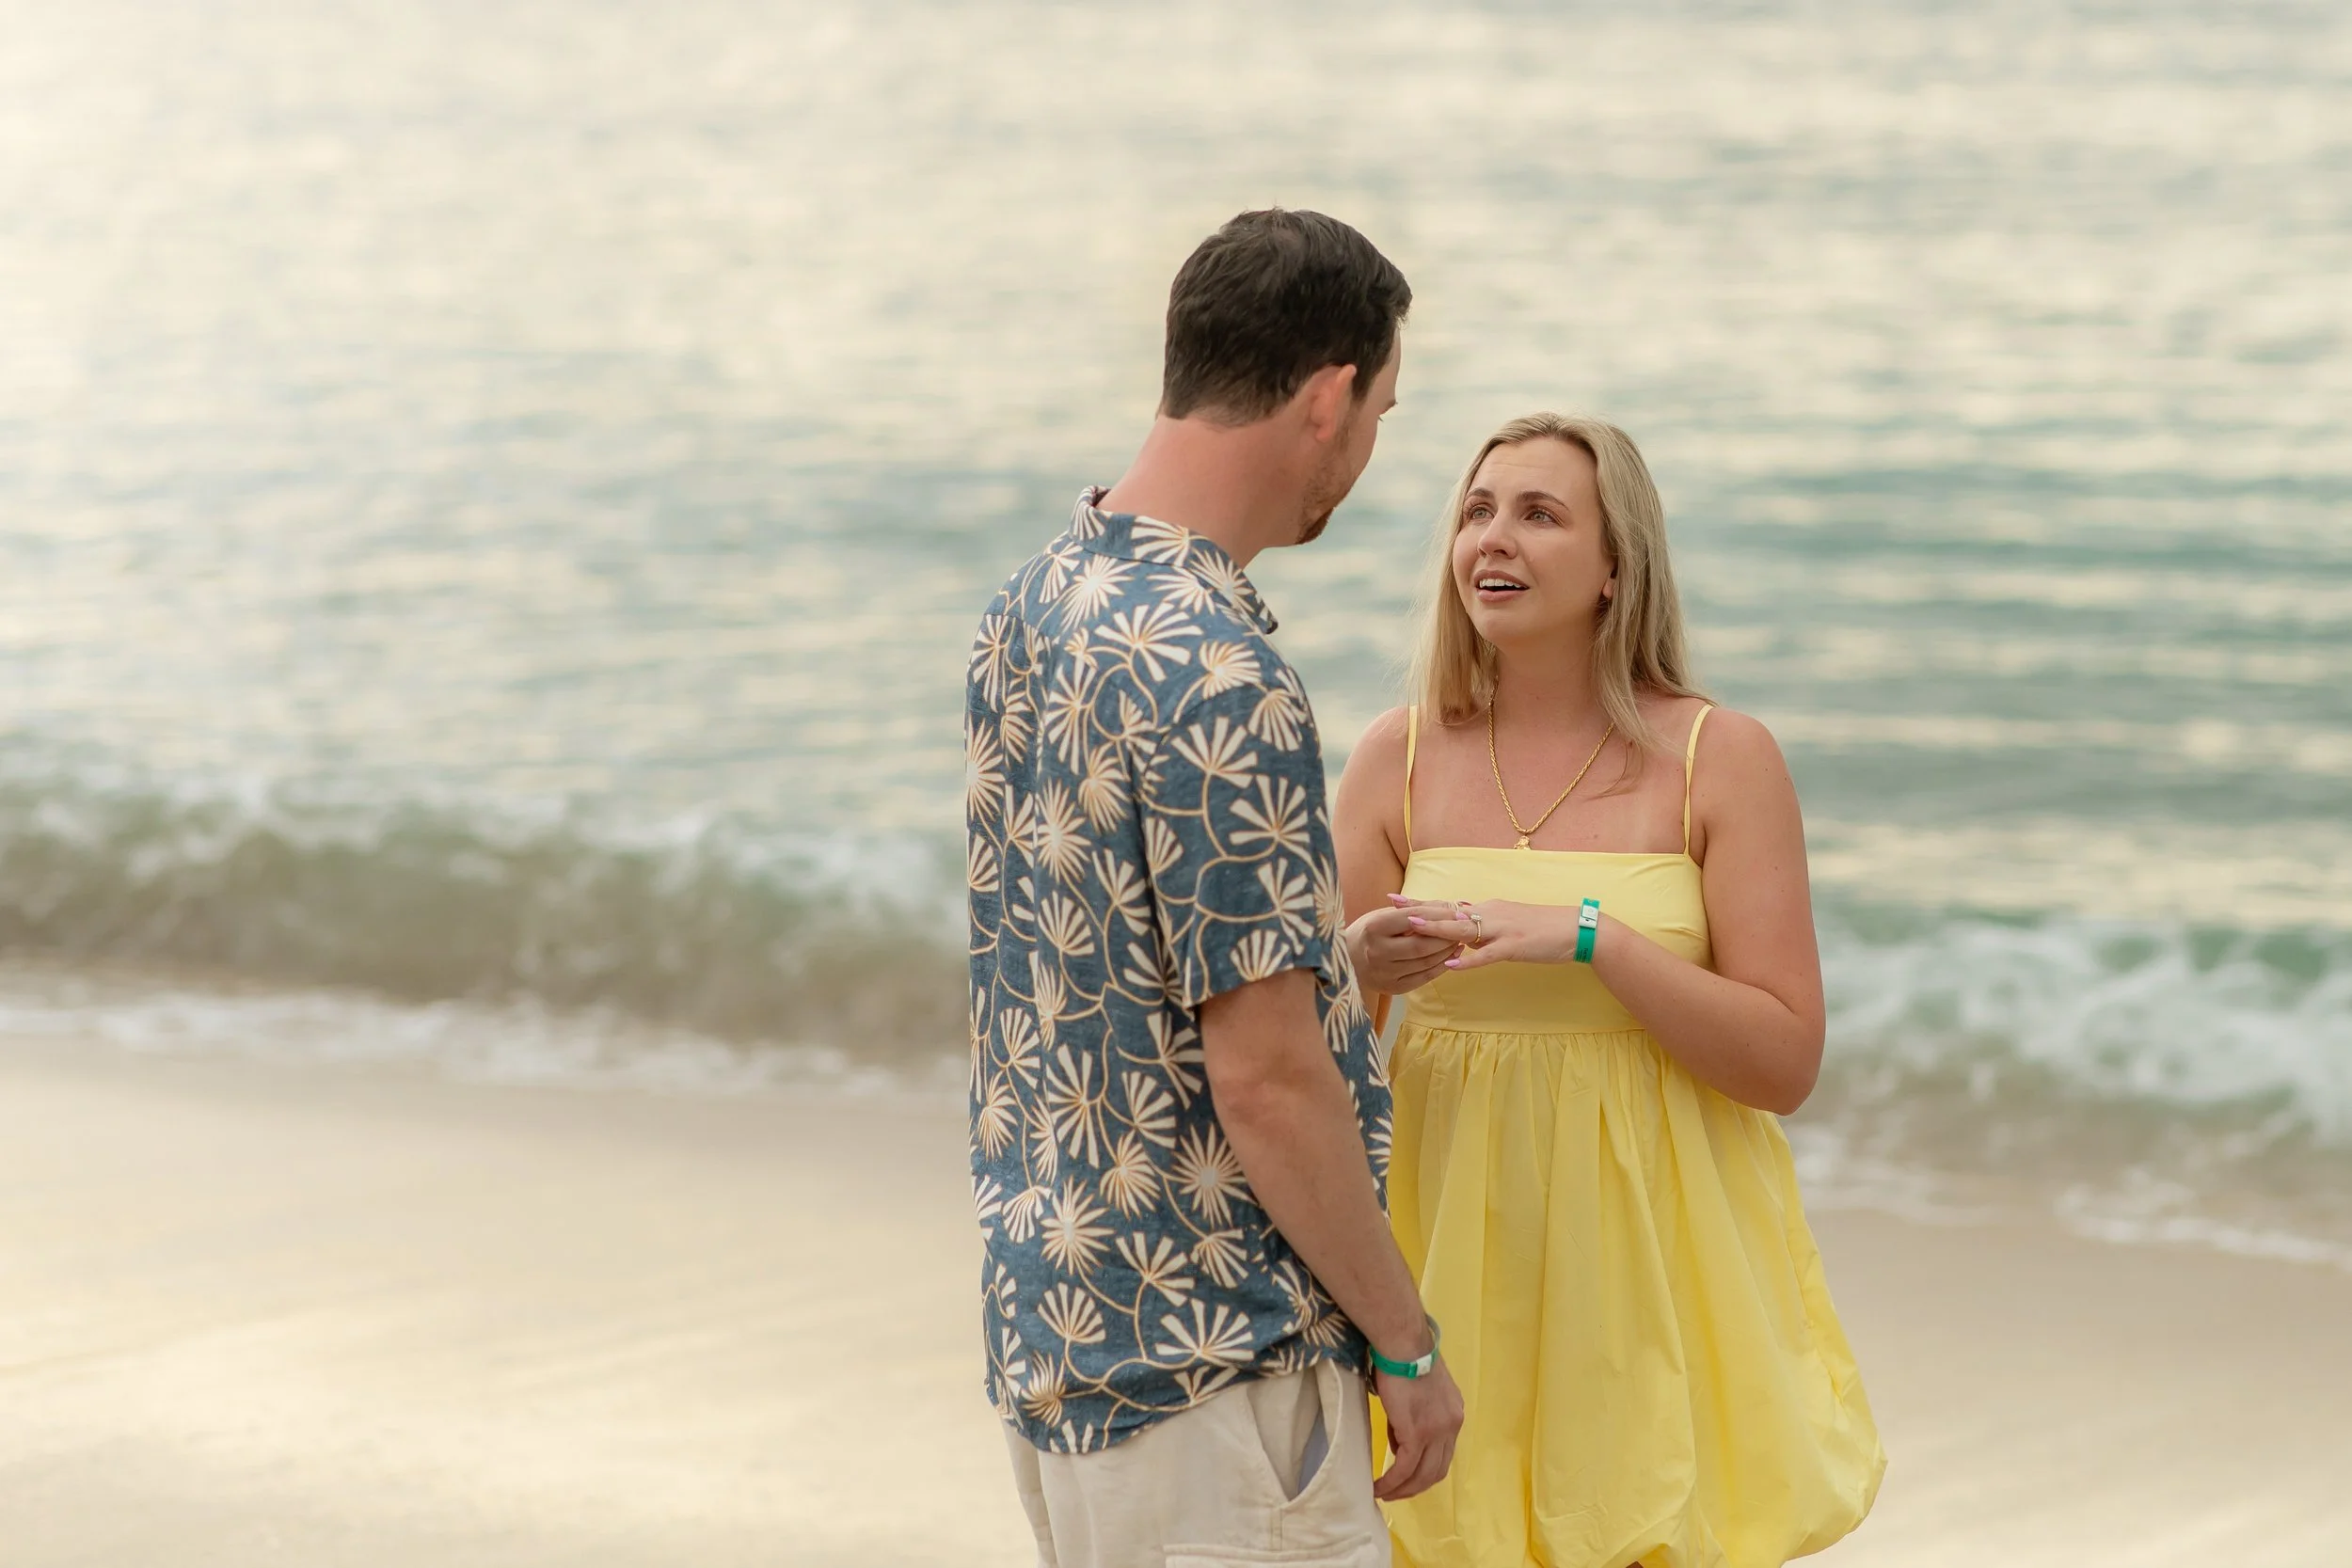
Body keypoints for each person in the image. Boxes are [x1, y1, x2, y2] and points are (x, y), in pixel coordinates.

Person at [966, 209, 1464, 1568]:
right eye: (1380, 412)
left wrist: (1324, 956)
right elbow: (1264, 1080)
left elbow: (1088, 957)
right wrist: (1406, 1340)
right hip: (1218, 1362)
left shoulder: (1037, 600)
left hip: (1059, 1328)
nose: (1366, 455)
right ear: (1325, 398)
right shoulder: (1222, 672)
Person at [1333, 414, 1884, 1567]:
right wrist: (1357, 971)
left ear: (1615, 567)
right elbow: (1315, 1053)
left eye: (1540, 514)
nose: (1496, 536)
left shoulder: (1718, 756)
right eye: (1478, 510)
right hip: (1448, 1245)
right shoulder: (1397, 753)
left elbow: (1783, 1061)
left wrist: (1600, 943)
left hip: (1655, 1251)